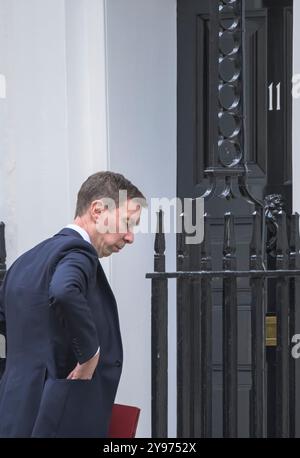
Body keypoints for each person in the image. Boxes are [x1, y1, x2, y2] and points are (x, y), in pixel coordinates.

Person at [0, 171, 146, 438]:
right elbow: (65, 291)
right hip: (56, 415)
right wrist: (90, 354)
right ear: (97, 211)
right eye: (126, 222)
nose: (130, 237)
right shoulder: (78, 252)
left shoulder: (23, 262)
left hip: (13, 409)